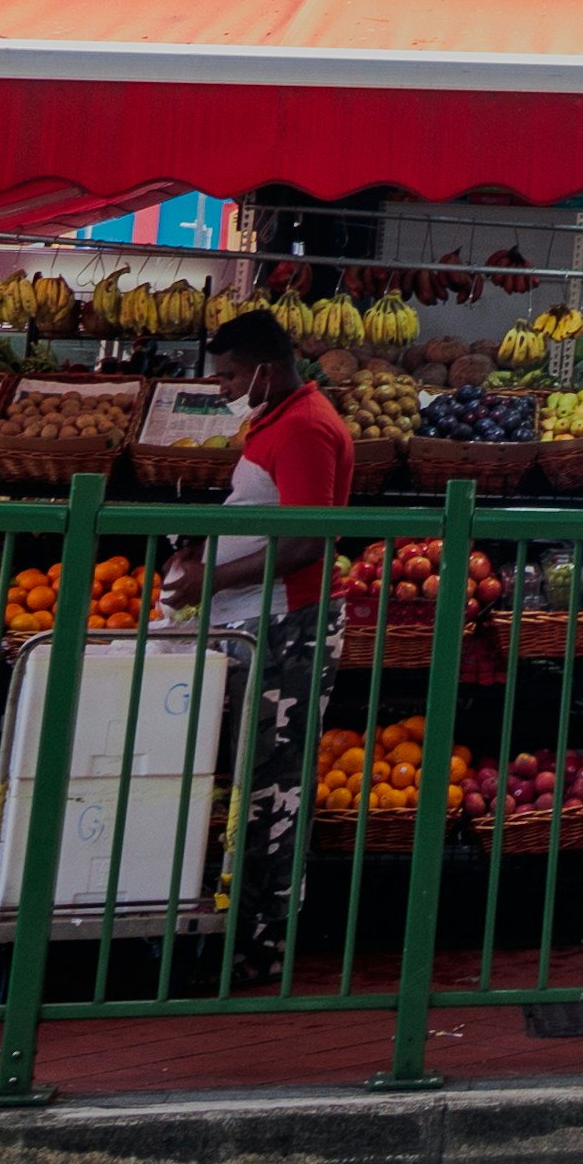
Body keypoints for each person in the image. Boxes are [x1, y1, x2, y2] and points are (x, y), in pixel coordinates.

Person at [180, 307, 360, 979]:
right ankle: (243, 930)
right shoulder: (275, 419)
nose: (221, 387)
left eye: (229, 375)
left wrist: (209, 578)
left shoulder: (308, 428)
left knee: (273, 792)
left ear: (266, 368)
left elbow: (307, 539)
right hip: (259, 623)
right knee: (255, 785)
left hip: (289, 628)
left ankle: (261, 947)